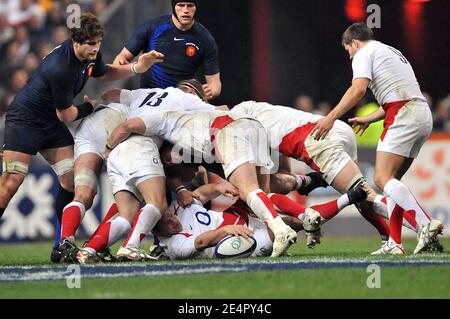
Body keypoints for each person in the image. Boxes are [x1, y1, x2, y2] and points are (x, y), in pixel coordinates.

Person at [0, 12, 163, 261]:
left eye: (97, 43)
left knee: (71, 183)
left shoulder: (89, 54)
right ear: (75, 42)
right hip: (24, 121)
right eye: (90, 44)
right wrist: (89, 108)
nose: (95, 49)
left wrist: (135, 68)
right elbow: (66, 114)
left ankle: (61, 245)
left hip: (50, 124)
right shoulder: (61, 68)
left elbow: (104, 72)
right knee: (12, 182)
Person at [310, 22, 444, 254]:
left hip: (403, 113)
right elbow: (401, 93)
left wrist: (330, 117)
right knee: (393, 181)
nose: (349, 55)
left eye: (347, 50)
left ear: (354, 42)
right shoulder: (392, 51)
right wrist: (370, 117)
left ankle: (424, 223)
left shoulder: (363, 52)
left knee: (382, 179)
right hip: (420, 113)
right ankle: (395, 242)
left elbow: (358, 89)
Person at [104, 101, 298, 258]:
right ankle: (302, 197)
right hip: (246, 127)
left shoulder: (169, 118)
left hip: (223, 136)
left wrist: (107, 148)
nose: (172, 217)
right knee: (263, 190)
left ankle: (286, 223)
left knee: (253, 190)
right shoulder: (185, 110)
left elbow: (126, 119)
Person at [151, 181, 367, 260]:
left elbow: (202, 194)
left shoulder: (177, 207)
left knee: (262, 194)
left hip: (236, 217)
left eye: (169, 215)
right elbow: (200, 243)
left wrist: (218, 187)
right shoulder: (173, 246)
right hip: (238, 240)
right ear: (156, 230)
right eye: (167, 222)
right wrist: (226, 230)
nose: (172, 219)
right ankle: (346, 199)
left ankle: (305, 216)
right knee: (290, 224)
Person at [113, 0, 221, 101]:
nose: (186, 10)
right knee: (109, 97)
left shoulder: (205, 38)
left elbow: (215, 84)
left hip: (180, 101)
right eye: (181, 5)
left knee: (224, 111)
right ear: (173, 7)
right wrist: (123, 63)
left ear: (196, 8)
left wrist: (210, 91)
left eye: (190, 5)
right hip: (147, 97)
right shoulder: (152, 27)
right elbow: (122, 58)